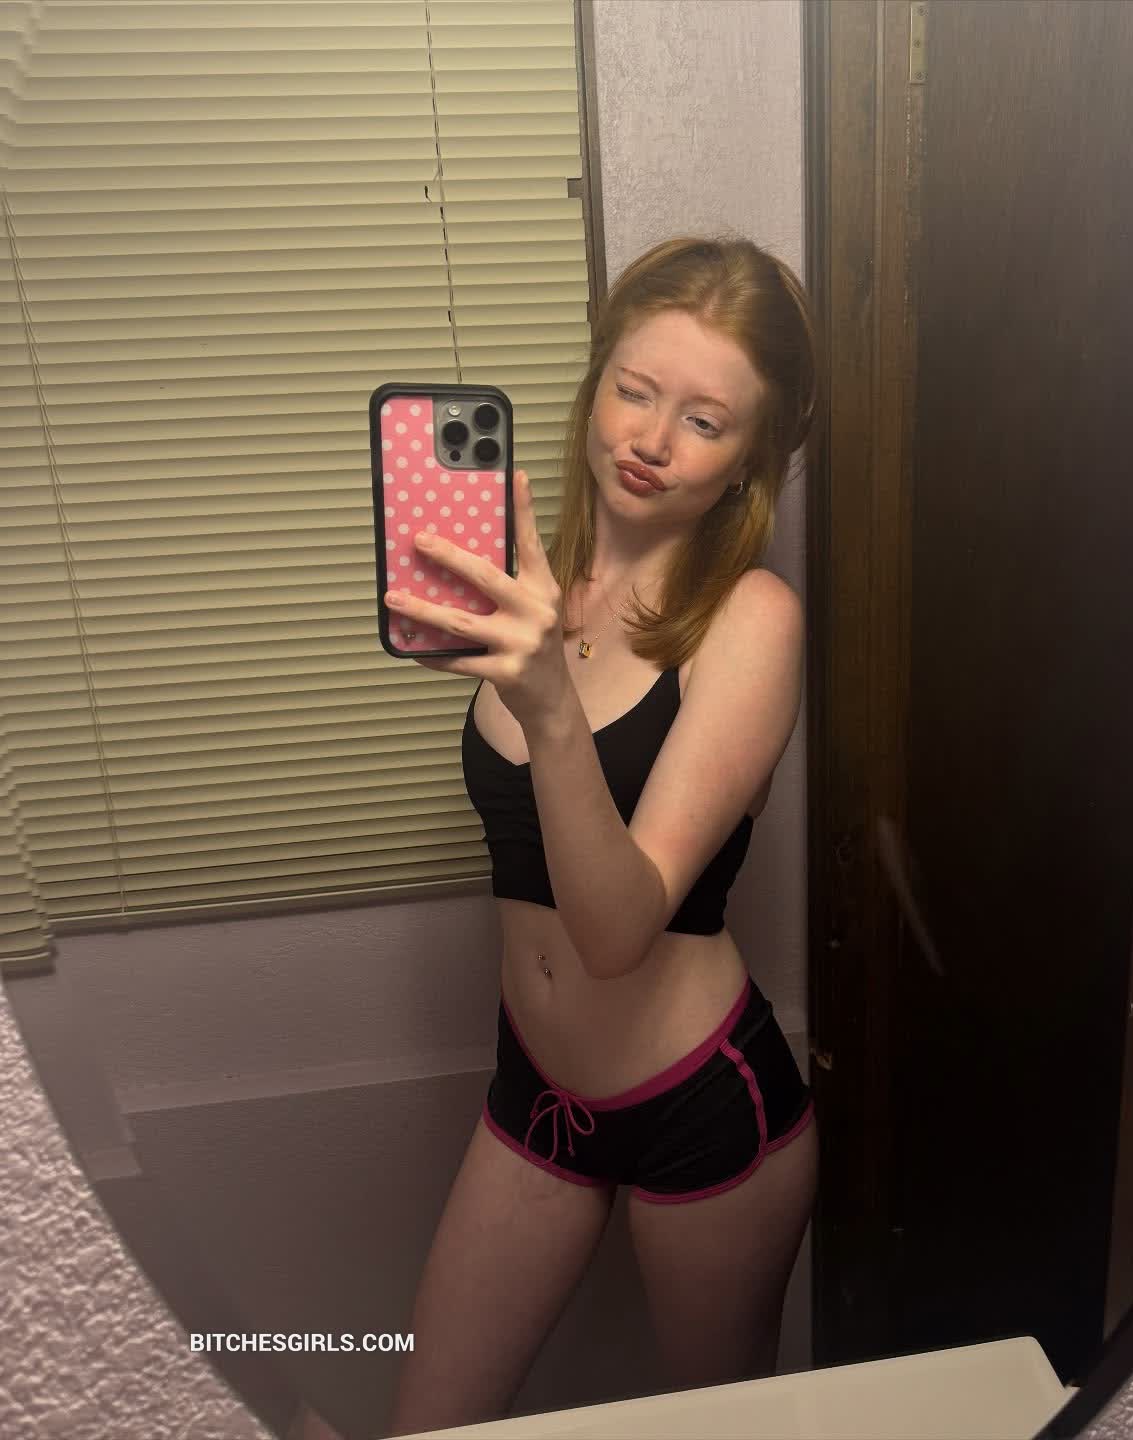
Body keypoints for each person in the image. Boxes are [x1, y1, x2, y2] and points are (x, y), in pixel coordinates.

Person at [384, 234, 820, 1436]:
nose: (651, 438)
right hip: (536, 1088)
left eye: (704, 421)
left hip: (702, 1102)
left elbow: (619, 931)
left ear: (748, 463)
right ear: (595, 386)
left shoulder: (751, 620)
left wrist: (548, 706)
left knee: (716, 1434)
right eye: (634, 390)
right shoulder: (532, 584)